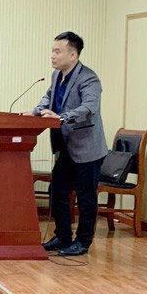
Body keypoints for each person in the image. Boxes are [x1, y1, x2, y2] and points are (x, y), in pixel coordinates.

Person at [25, 31, 107, 257]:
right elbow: (49, 97)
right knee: (57, 191)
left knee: (86, 197)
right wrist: (35, 112)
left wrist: (61, 117)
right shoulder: (56, 75)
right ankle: (62, 236)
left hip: (87, 149)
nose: (52, 55)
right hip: (65, 147)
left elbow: (89, 108)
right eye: (52, 51)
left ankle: (82, 242)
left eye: (57, 51)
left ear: (73, 55)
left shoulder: (89, 79)